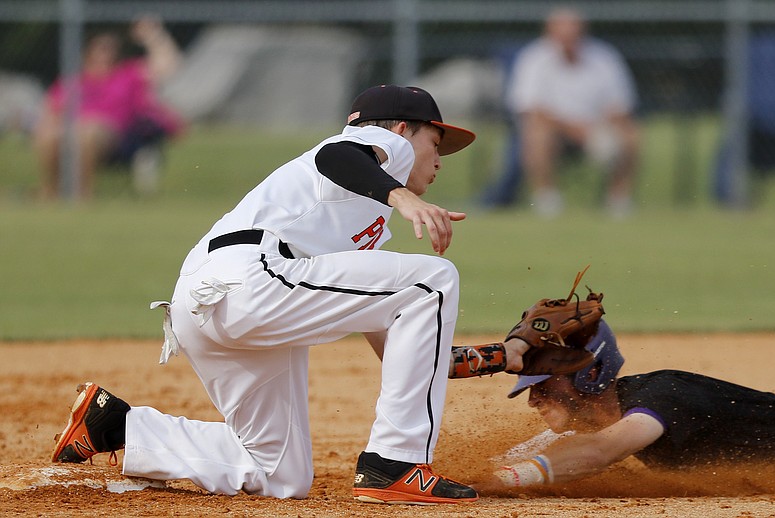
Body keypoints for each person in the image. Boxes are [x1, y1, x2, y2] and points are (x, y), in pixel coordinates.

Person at [51, 85, 485, 505]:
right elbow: (338, 154)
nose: (439, 160)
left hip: (214, 302)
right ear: (401, 131)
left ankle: (120, 427)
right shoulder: (368, 150)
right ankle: (395, 464)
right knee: (434, 279)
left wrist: (436, 359)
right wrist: (403, 197)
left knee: (278, 473)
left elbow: (377, 311)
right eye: (436, 142)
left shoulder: (363, 212)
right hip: (252, 279)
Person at [483, 320, 775, 488]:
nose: (533, 400)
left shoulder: (662, 397)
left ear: (589, 372)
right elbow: (524, 456)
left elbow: (598, 453)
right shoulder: (614, 414)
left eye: (543, 385)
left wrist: (502, 481)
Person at [485, 7, 640, 217]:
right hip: (555, 131)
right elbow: (531, 110)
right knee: (537, 135)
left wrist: (601, 129)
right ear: (550, 32)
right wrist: (576, 129)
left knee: (631, 135)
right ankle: (547, 199)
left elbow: (620, 104)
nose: (569, 38)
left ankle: (617, 200)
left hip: (596, 128)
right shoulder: (534, 58)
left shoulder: (605, 57)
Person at [33, 16, 183, 200]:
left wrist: (152, 35)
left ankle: (81, 194)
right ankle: (50, 192)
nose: (105, 54)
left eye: (110, 49)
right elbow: (52, 109)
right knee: (50, 135)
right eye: (101, 48)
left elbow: (169, 66)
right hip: (72, 130)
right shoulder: (74, 81)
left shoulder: (128, 74)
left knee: (88, 132)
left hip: (116, 136)